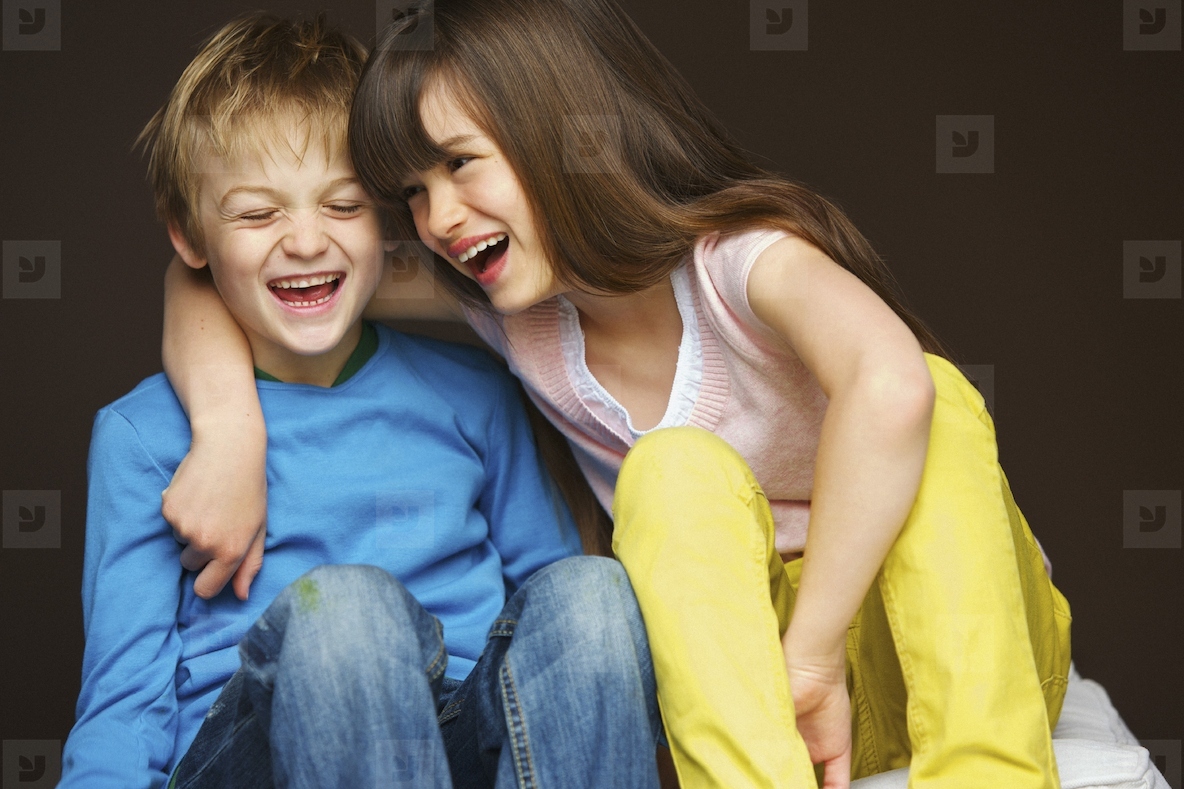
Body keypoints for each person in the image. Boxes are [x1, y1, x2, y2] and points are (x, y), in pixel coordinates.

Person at [160, 1, 1073, 787]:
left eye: (462, 164)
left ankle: (989, 768)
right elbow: (244, 277)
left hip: (920, 645)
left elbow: (889, 386)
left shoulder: (740, 262)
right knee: (670, 470)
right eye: (412, 190)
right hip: (770, 698)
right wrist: (231, 430)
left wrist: (814, 653)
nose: (436, 219)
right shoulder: (512, 307)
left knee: (935, 393)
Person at [62, 12, 661, 789]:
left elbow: (554, 623)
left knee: (591, 590)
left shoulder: (474, 391)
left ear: (386, 219)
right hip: (257, 753)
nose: (307, 241)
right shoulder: (144, 436)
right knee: (347, 611)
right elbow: (124, 695)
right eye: (257, 212)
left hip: (466, 741)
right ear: (190, 236)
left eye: (341, 206)